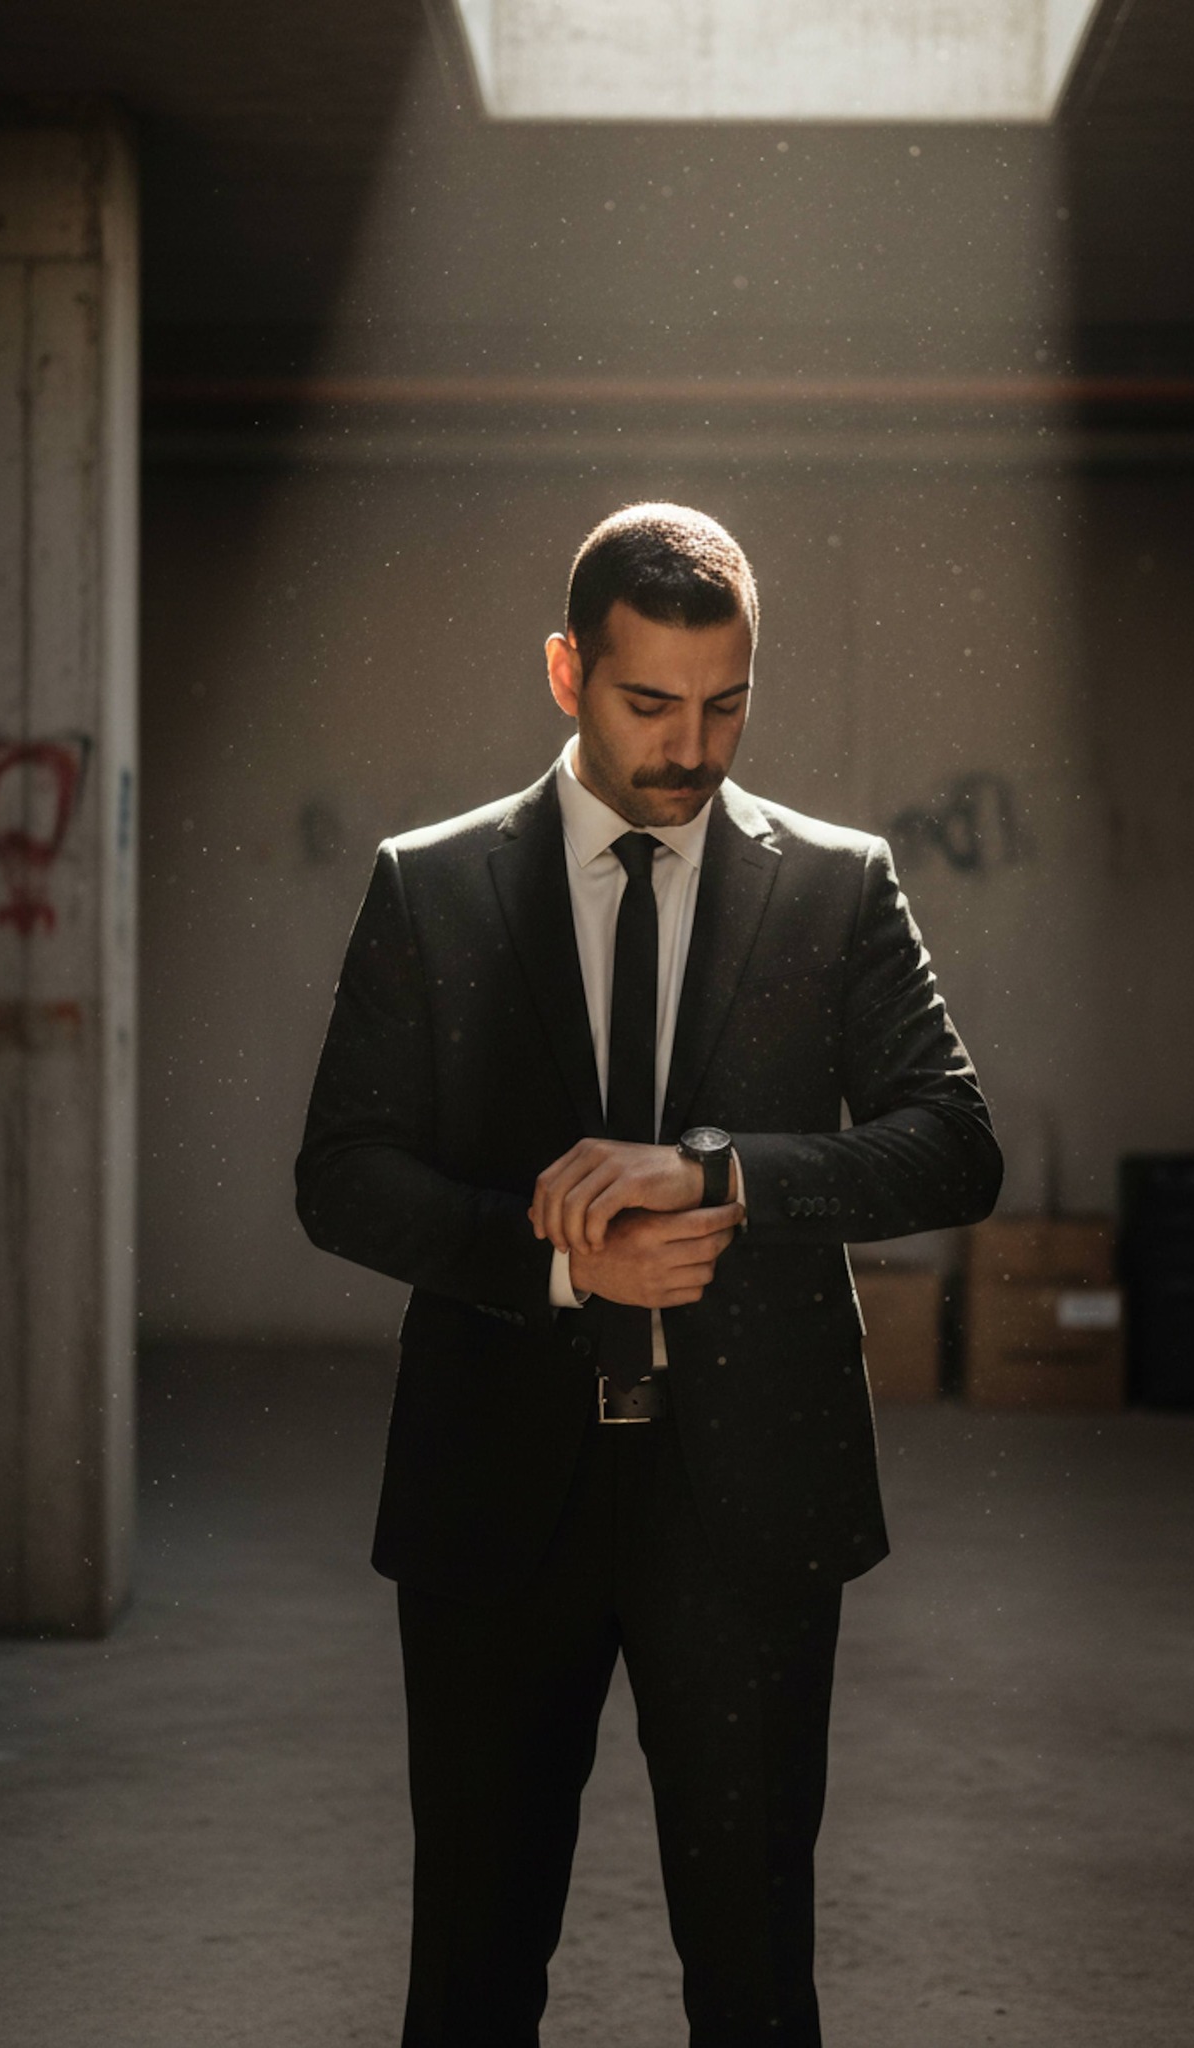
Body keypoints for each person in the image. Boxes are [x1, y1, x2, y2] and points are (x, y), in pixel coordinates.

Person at [295, 502, 1002, 2047]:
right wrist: (564, 1266)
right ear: (566, 671)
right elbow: (340, 1176)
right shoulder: (432, 888)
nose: (694, 746)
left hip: (749, 1509)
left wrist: (725, 1173)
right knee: (471, 1978)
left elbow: (955, 1148)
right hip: (498, 1502)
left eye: (728, 702)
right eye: (651, 703)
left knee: (756, 1985)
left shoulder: (838, 884)